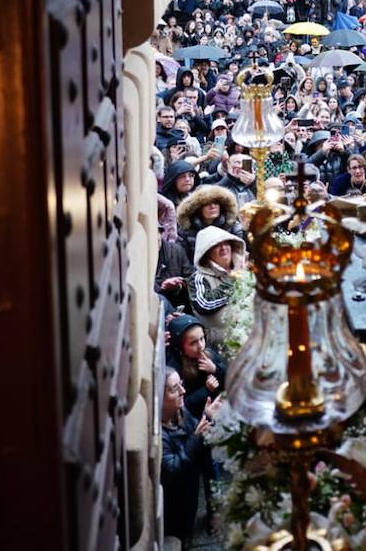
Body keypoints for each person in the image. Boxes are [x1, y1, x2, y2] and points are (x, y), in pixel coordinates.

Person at [160, 370, 215, 546]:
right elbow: (172, 468)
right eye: (175, 389)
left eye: (181, 385)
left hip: (190, 492)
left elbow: (195, 430)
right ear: (160, 398)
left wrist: (207, 416)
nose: (183, 391)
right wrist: (196, 438)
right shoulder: (160, 435)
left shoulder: (180, 411)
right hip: (176, 504)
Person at [189, 226, 247, 346]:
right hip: (222, 348)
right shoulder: (199, 278)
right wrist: (234, 278)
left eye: (226, 243)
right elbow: (205, 304)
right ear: (206, 252)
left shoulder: (247, 270)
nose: (223, 247)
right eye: (216, 245)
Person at [166, 314, 225, 418]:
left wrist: (215, 369)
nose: (200, 346)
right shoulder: (177, 371)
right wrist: (206, 390)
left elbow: (229, 377)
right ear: (180, 348)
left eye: (202, 338)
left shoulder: (208, 354)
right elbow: (183, 405)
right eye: (193, 343)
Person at [176, 184, 238, 262]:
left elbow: (239, 254)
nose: (213, 206)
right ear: (198, 208)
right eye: (206, 204)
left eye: (216, 202)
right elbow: (182, 261)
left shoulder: (232, 226)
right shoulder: (186, 231)